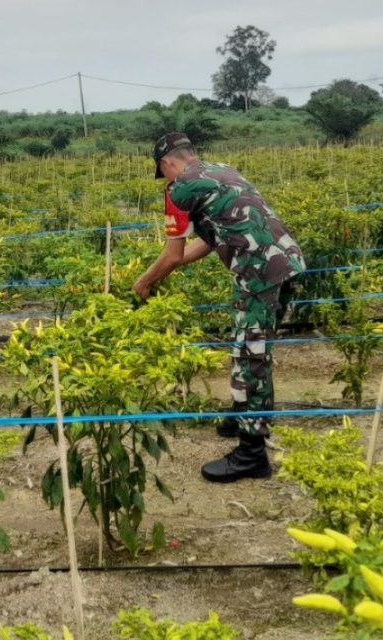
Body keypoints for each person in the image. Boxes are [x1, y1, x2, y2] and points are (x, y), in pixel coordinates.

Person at [132, 132, 305, 484]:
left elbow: (172, 252)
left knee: (249, 353)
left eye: (162, 171)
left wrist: (145, 282)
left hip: (258, 272)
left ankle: (252, 452)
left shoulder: (178, 189)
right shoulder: (222, 172)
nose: (164, 178)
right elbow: (210, 241)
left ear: (167, 163)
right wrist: (170, 267)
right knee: (254, 347)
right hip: (286, 262)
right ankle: (243, 415)